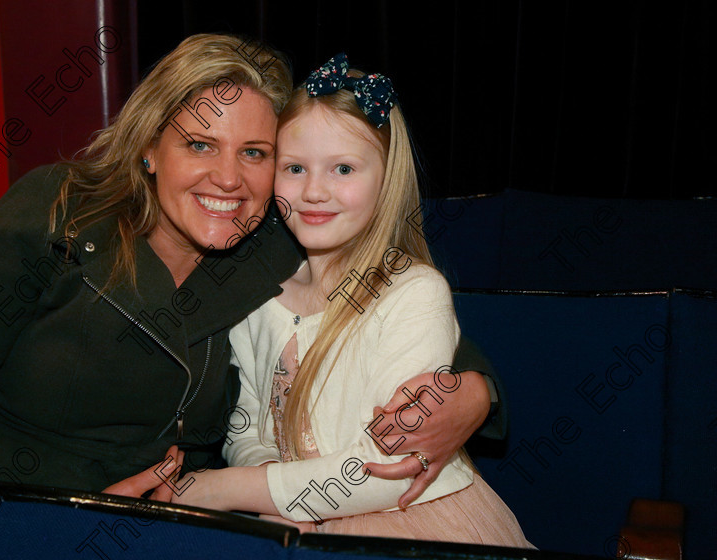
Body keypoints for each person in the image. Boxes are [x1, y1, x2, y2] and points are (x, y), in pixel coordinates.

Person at [0, 35, 500, 499]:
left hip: (192, 525)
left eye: (255, 153)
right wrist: (82, 488)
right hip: (22, 516)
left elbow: (403, 312)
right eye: (200, 144)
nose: (228, 179)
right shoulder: (61, 212)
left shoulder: (274, 238)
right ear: (149, 146)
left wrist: (475, 394)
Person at [108, 53, 532, 547]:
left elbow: (391, 462)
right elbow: (247, 426)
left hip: (407, 520)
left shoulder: (414, 293)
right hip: (294, 520)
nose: (313, 191)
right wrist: (276, 494)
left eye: (344, 168)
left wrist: (219, 488)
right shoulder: (261, 293)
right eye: (294, 168)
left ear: (387, 178)